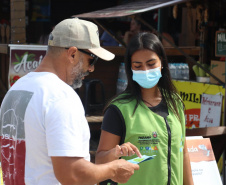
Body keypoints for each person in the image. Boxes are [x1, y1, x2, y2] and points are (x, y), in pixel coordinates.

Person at [0, 18, 140, 185]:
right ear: (73, 53)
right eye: (92, 60)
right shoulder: (60, 96)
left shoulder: (16, 89)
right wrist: (114, 169)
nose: (91, 69)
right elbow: (72, 174)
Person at [96, 32, 194, 185]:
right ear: (131, 69)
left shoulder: (175, 102)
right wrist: (116, 152)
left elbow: (184, 153)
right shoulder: (119, 109)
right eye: (138, 66)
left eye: (151, 63)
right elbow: (100, 160)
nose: (146, 71)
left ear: (162, 63)